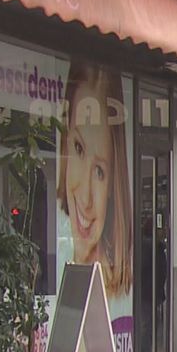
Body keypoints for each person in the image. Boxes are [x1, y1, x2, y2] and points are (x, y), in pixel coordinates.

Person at [57, 61, 133, 299]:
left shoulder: (116, 295)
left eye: (100, 171)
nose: (85, 197)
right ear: (65, 144)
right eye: (79, 148)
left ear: (112, 185)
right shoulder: (59, 261)